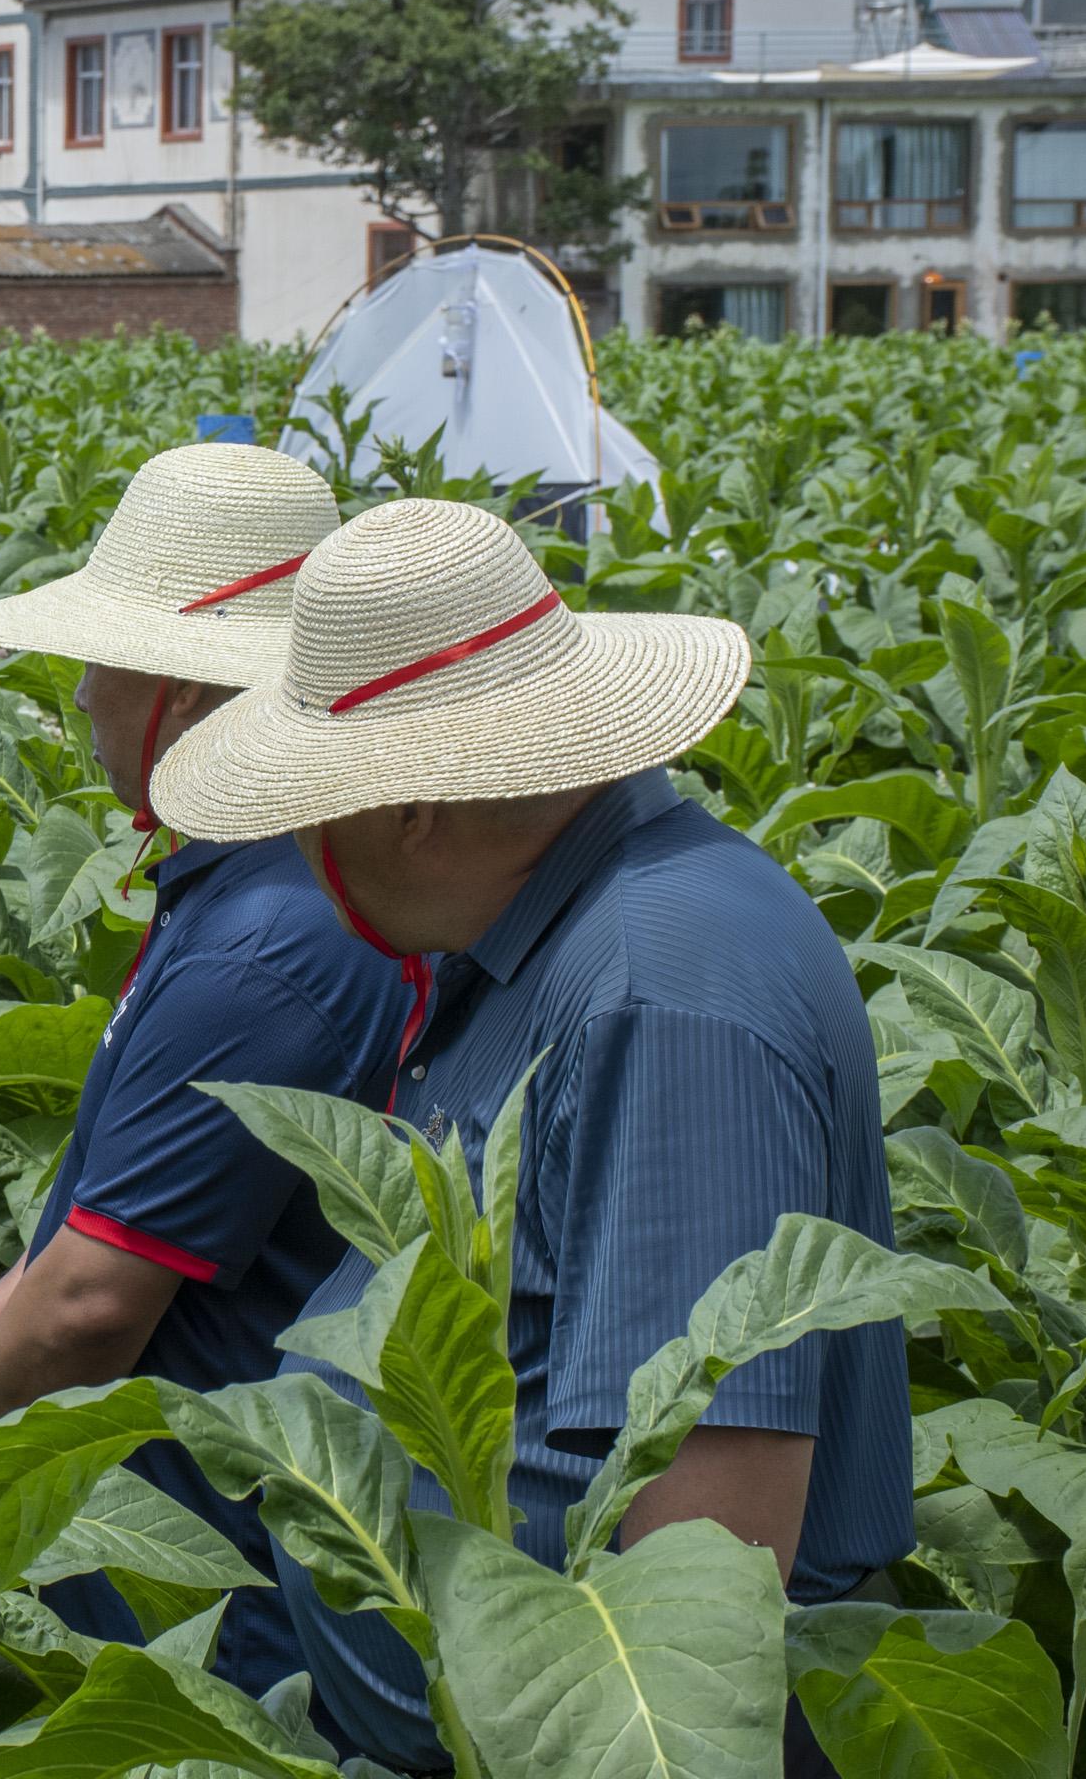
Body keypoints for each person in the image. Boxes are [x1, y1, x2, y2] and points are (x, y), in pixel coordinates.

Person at [149, 496, 904, 1778]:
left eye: (310, 800)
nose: (298, 842)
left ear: (407, 810)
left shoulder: (667, 990)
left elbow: (697, 1580)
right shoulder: (554, 940)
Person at [0, 442, 425, 1698]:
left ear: (186, 701)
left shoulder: (272, 946)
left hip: (205, 1588)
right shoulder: (265, 877)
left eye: (103, 661)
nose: (80, 695)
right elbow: (114, 1203)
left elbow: (95, 1310)